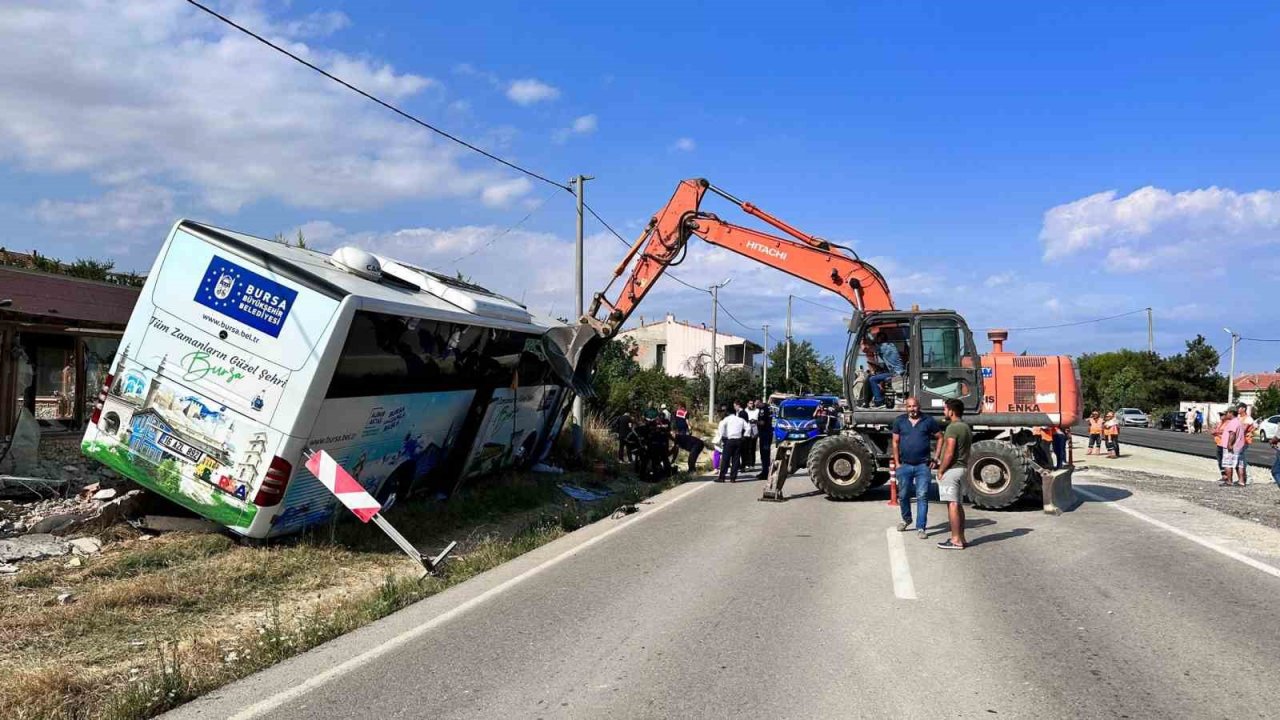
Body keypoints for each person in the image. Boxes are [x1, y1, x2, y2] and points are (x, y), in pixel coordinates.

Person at [891, 397, 943, 539]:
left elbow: (940, 437)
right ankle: (906, 519)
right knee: (903, 495)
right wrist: (897, 463)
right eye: (909, 406)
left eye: (914, 406)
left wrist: (936, 457)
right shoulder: (899, 421)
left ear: (919, 407)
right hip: (905, 465)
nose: (912, 409)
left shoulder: (928, 421)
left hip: (922, 466)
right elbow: (895, 442)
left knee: (922, 495)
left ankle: (921, 527)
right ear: (905, 408)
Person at [935, 398, 972, 550]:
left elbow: (950, 452)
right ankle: (961, 537)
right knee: (958, 504)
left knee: (952, 504)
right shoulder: (965, 427)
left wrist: (941, 470)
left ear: (951, 411)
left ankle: (955, 539)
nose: (944, 412)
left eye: (945, 409)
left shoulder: (952, 428)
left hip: (952, 470)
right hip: (962, 468)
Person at [868, 328, 905, 408]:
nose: (875, 340)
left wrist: (866, 338)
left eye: (877, 338)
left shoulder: (884, 347)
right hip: (897, 371)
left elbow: (868, 348)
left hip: (896, 373)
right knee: (879, 375)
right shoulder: (889, 345)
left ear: (879, 339)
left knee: (872, 379)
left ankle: (879, 401)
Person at [716, 405, 748, 482]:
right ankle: (733, 478)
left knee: (725, 459)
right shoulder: (741, 420)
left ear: (727, 412)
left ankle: (722, 477)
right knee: (736, 459)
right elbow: (748, 427)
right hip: (738, 440)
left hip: (729, 441)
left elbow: (721, 428)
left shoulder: (726, 419)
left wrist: (721, 437)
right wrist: (744, 436)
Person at [1220, 408, 1243, 487]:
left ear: (1231, 413)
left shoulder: (1233, 422)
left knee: (1228, 464)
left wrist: (1229, 444)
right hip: (1239, 447)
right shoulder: (1238, 422)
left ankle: (1229, 481)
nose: (1226, 414)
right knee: (1239, 465)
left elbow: (1232, 434)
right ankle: (1241, 481)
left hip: (1231, 447)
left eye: (1227, 413)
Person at [754, 400, 774, 479]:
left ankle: (765, 473)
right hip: (768, 433)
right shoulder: (768, 408)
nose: (755, 406)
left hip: (765, 434)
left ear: (759, 402)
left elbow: (762, 422)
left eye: (756, 404)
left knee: (764, 454)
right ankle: (766, 471)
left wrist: (755, 422)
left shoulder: (763, 410)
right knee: (766, 454)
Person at [1237, 403, 1254, 484]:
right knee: (1240, 459)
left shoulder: (1248, 419)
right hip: (1238, 441)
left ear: (1243, 409)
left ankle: (1248, 477)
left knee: (1241, 459)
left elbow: (1243, 429)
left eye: (1239, 407)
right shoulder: (1239, 418)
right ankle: (1242, 477)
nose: (1237, 409)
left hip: (1244, 441)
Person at [743, 400, 760, 469]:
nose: (751, 405)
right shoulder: (745, 410)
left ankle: (752, 463)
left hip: (754, 428)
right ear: (747, 404)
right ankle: (747, 463)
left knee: (753, 447)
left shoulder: (757, 410)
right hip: (747, 429)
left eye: (752, 403)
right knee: (747, 447)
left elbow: (759, 419)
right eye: (750, 403)